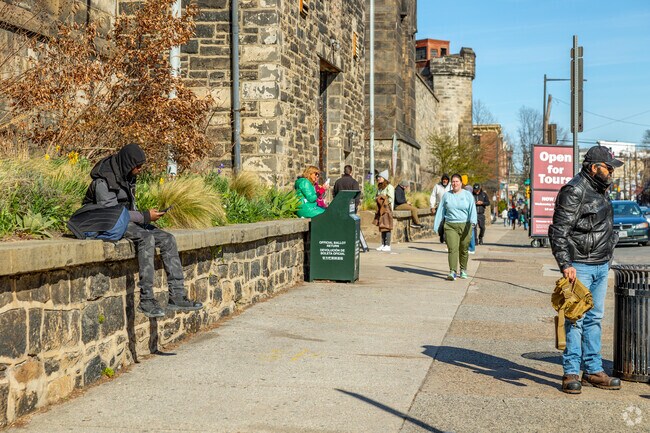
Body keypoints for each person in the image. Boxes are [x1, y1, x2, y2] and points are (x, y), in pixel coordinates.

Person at [67, 144, 203, 318]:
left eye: (141, 166)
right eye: (137, 166)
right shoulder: (103, 180)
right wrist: (145, 216)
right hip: (107, 222)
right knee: (146, 238)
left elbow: (129, 207)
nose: (139, 170)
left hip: (124, 219)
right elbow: (113, 214)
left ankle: (176, 296)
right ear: (127, 163)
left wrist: (145, 216)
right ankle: (146, 300)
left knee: (168, 239)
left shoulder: (127, 174)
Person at [549, 145, 623, 395]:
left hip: (601, 264)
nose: (611, 172)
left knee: (594, 318)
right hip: (579, 265)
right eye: (608, 168)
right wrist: (565, 264)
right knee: (575, 318)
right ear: (594, 168)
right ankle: (571, 372)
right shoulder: (574, 190)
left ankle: (593, 370)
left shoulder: (601, 189)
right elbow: (559, 231)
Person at [433, 173, 477, 281]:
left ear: (461, 183)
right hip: (450, 225)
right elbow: (441, 211)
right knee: (452, 249)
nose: (455, 183)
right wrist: (436, 224)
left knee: (464, 249)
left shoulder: (467, 195)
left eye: (457, 181)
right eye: (453, 181)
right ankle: (452, 271)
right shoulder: (447, 195)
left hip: (465, 225)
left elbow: (472, 209)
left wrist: (473, 221)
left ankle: (463, 270)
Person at [374, 170, 394, 252]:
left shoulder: (390, 187)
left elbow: (391, 198)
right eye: (378, 177)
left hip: (386, 209)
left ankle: (388, 245)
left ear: (384, 178)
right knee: (381, 226)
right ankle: (383, 244)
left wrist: (382, 199)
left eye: (380, 177)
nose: (378, 178)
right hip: (380, 208)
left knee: (387, 226)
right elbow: (376, 196)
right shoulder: (380, 187)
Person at [430, 174, 450, 242]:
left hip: (449, 207)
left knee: (447, 222)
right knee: (440, 222)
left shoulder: (451, 186)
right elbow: (433, 196)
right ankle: (441, 234)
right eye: (444, 179)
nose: (445, 180)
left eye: (446, 179)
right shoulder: (437, 186)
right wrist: (432, 206)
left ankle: (446, 236)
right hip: (440, 207)